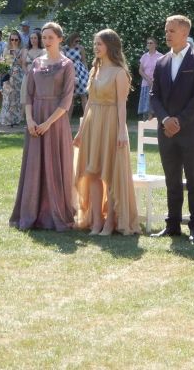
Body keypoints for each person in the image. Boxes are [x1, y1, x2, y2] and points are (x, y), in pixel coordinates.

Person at [149, 15, 194, 241]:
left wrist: (179, 121)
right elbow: (154, 95)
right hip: (166, 130)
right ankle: (172, 224)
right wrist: (165, 120)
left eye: (172, 30)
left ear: (185, 33)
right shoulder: (161, 62)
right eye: (166, 30)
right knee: (171, 179)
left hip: (191, 130)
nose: (167, 34)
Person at [9, 22, 76, 231]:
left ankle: (55, 214)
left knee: (55, 165)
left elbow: (66, 100)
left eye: (50, 37)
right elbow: (28, 94)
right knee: (34, 165)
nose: (46, 41)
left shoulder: (67, 65)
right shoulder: (36, 63)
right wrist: (30, 120)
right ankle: (31, 212)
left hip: (56, 122)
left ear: (60, 39)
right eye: (44, 37)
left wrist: (48, 123)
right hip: (35, 119)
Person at [73, 29, 140, 236]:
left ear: (110, 46)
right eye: (95, 44)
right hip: (93, 123)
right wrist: (80, 131)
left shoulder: (120, 73)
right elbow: (89, 103)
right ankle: (96, 221)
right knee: (92, 172)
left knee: (109, 173)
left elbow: (121, 106)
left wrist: (122, 132)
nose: (96, 47)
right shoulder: (95, 70)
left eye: (99, 44)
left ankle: (110, 221)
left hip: (111, 123)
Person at [0, 30, 25, 127]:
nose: (14, 41)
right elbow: (4, 64)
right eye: (12, 39)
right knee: (7, 97)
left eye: (16, 39)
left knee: (16, 98)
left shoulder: (22, 50)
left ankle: (16, 120)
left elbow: (23, 64)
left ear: (19, 40)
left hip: (18, 75)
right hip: (8, 75)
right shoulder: (6, 49)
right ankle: (6, 119)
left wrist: (16, 57)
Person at [63, 32, 89, 115]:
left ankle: (87, 118)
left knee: (83, 95)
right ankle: (67, 119)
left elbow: (84, 61)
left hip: (80, 72)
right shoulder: (65, 49)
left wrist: (87, 72)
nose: (77, 43)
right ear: (71, 39)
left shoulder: (80, 48)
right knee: (71, 96)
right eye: (76, 41)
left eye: (78, 41)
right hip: (69, 72)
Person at [138, 37, 163, 120]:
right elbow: (140, 70)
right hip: (146, 84)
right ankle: (146, 122)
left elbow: (163, 70)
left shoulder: (160, 56)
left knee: (154, 106)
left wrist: (154, 80)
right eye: (148, 43)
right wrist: (148, 79)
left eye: (151, 43)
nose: (149, 44)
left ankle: (154, 122)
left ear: (155, 45)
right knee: (146, 107)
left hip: (156, 84)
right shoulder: (144, 56)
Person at [19, 31, 45, 107]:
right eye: (31, 38)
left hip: (39, 75)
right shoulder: (26, 50)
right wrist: (27, 73)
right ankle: (26, 113)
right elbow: (23, 64)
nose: (33, 40)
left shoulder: (43, 51)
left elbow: (45, 64)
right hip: (28, 74)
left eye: (35, 38)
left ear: (39, 39)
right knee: (26, 94)